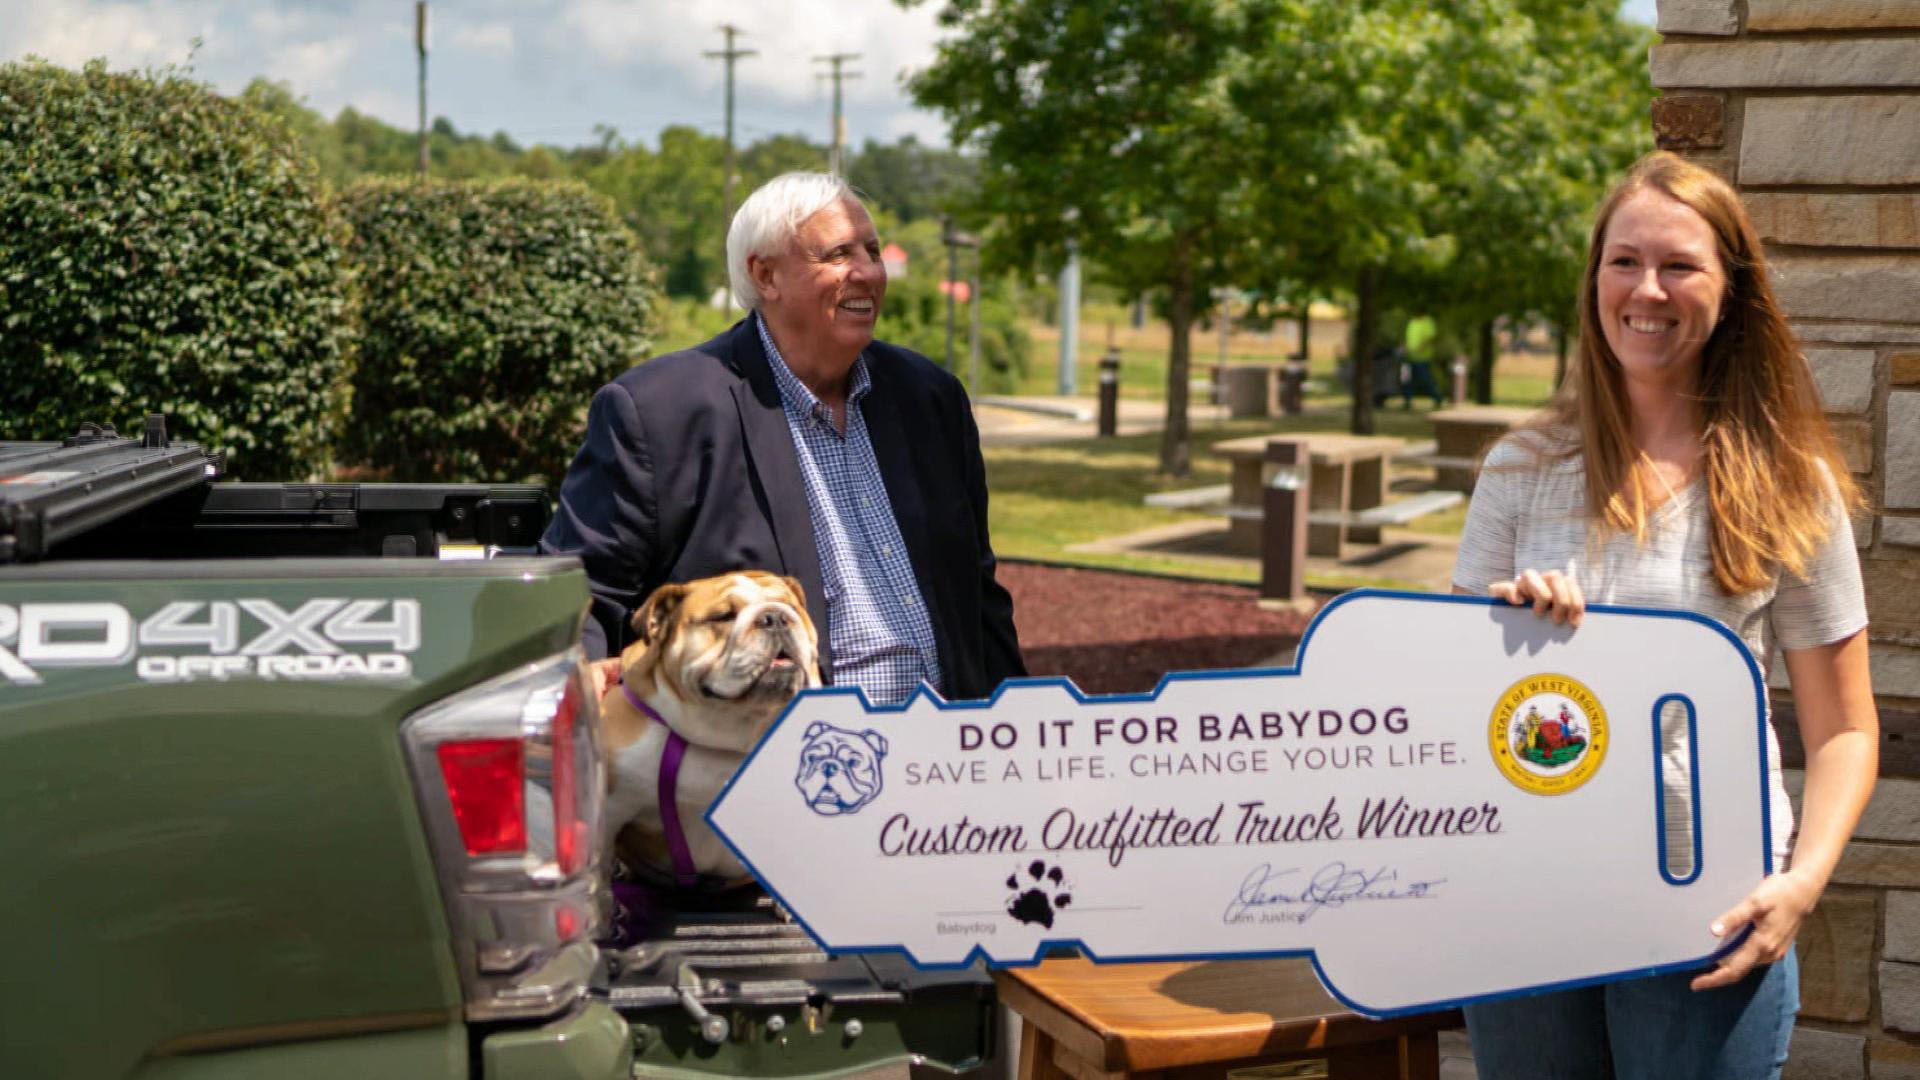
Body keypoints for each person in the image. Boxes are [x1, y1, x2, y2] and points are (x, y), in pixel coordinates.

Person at [1452, 152, 1878, 1078]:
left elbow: (1844, 728)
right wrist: (1503, 637)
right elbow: (1450, 707)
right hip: (1527, 904)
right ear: (1594, 283)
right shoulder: (1518, 472)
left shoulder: (1792, 488)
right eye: (1625, 262)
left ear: (1732, 292)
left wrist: (1801, 884)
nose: (1648, 290)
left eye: (1680, 265)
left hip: (1709, 915)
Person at [541, 171, 1025, 704]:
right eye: (839, 254)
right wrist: (579, 696)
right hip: (760, 742)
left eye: (872, 251)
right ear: (766, 276)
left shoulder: (930, 399)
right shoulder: (661, 412)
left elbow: (977, 596)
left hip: (946, 740)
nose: (868, 272)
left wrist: (1023, 724)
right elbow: (581, 591)